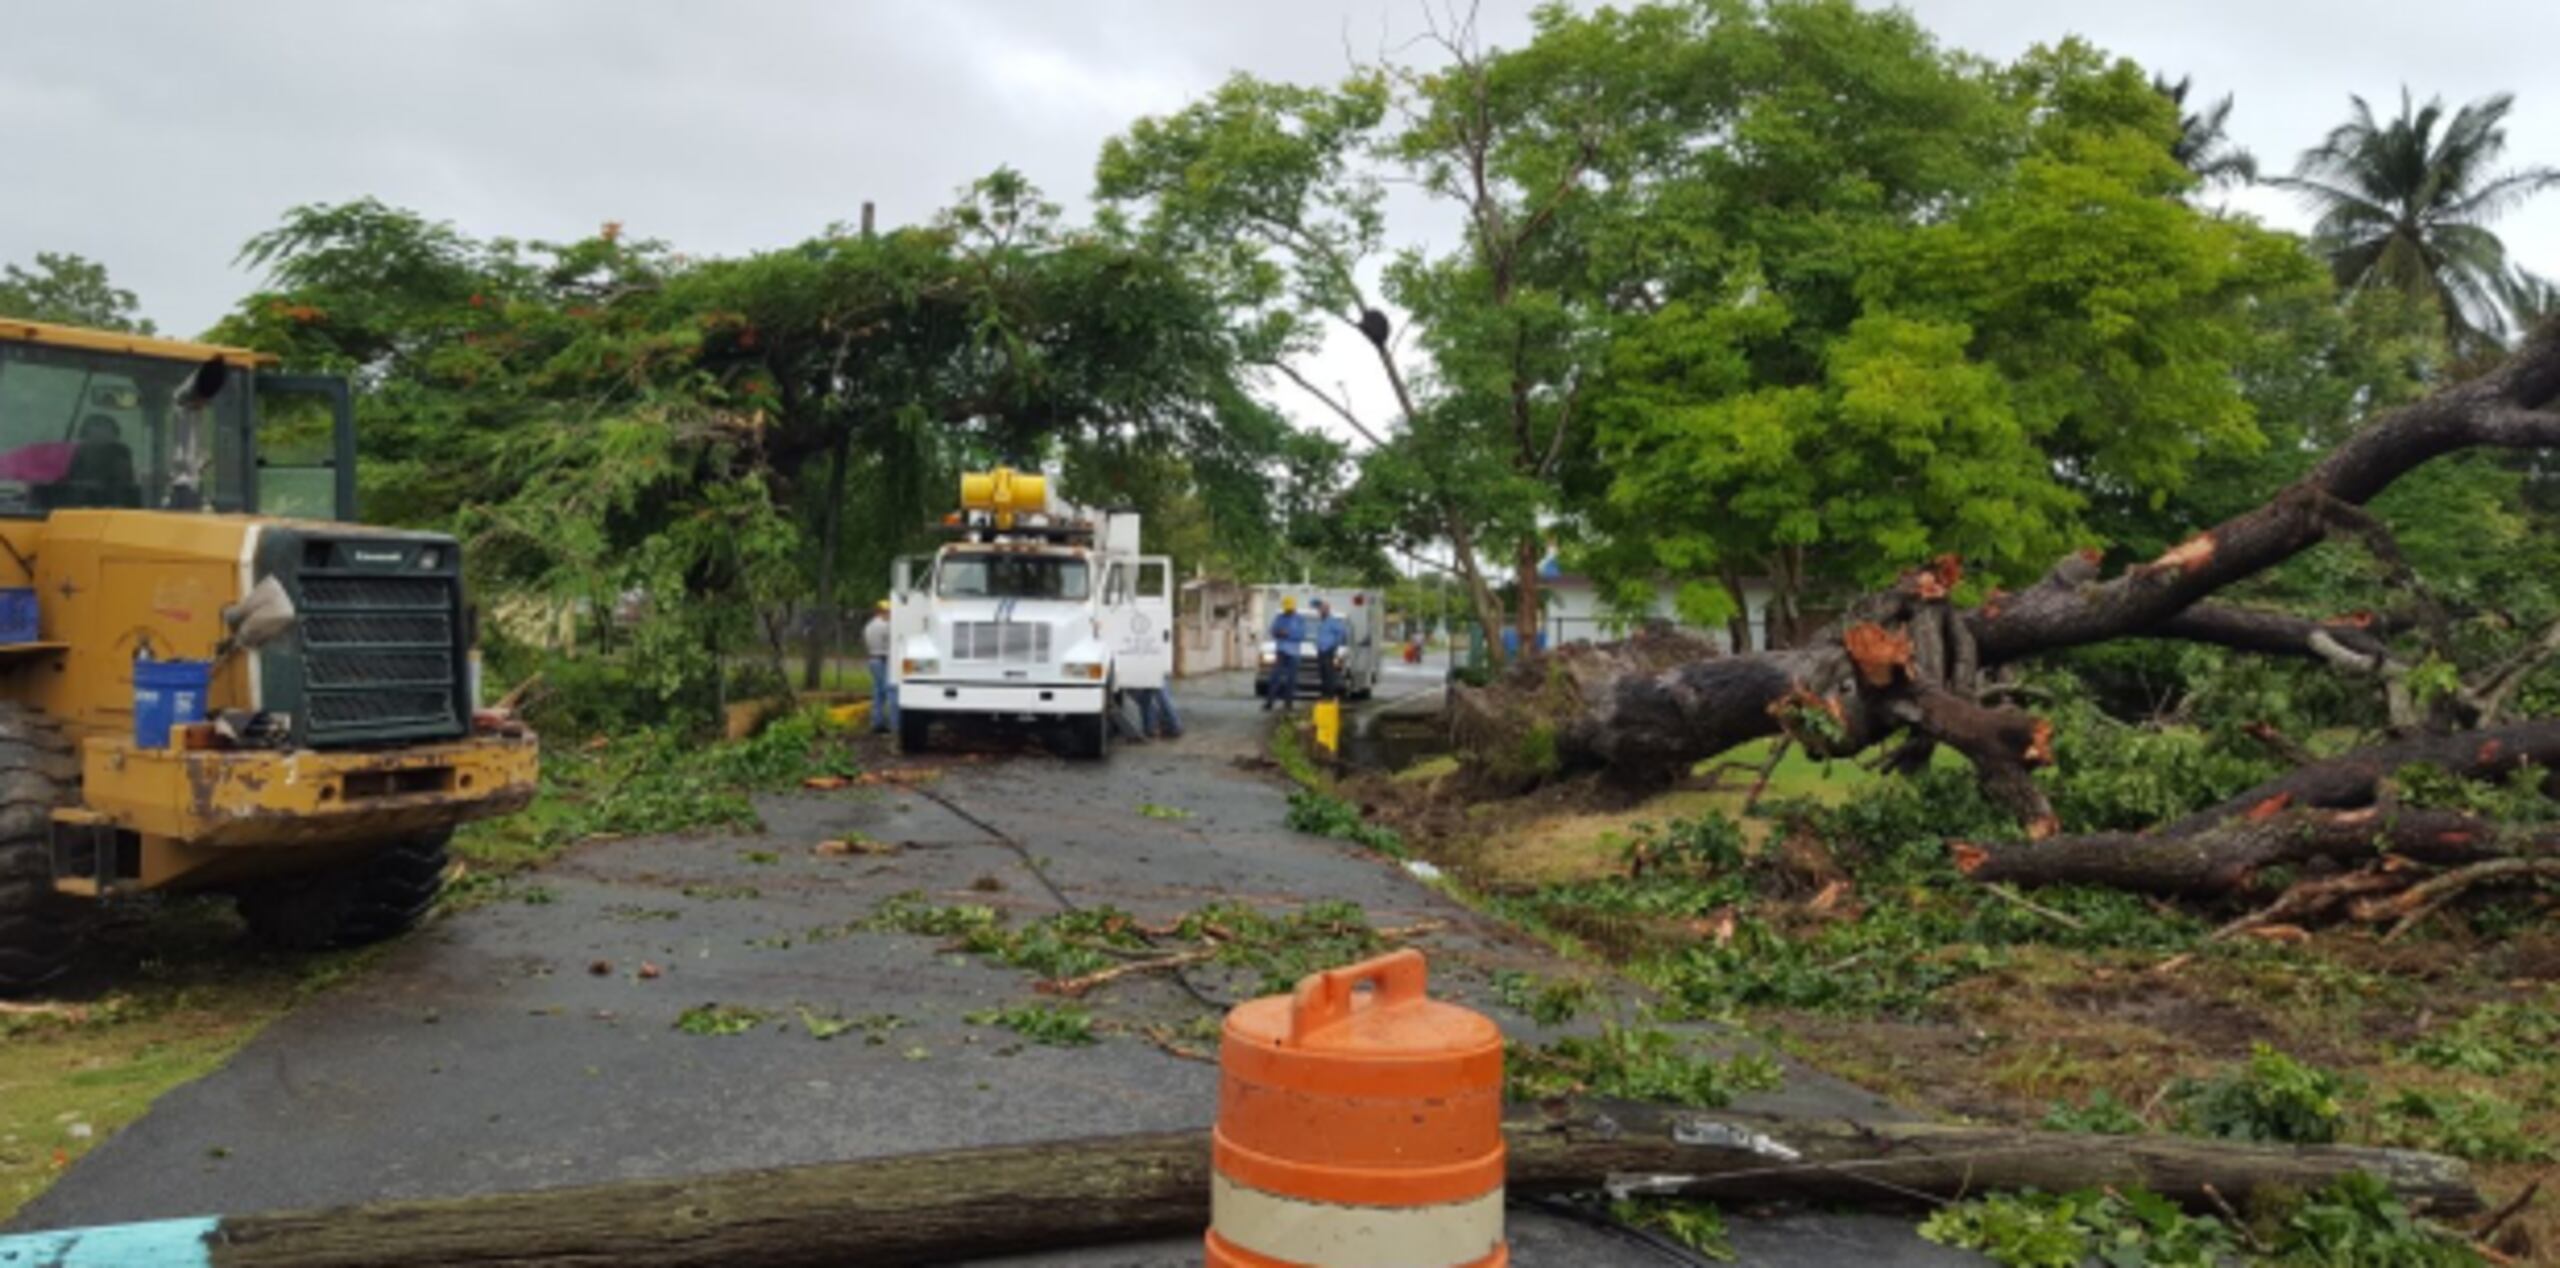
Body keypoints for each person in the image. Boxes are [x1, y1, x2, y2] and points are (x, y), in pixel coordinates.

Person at [1264, 595, 1305, 713]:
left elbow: (1301, 635)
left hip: (1294, 653)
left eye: (1289, 608)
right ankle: (1270, 702)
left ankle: (1288, 704)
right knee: (1275, 677)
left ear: (1294, 607)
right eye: (1286, 608)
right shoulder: (1279, 617)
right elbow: (1272, 630)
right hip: (1281, 651)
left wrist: (1288, 634)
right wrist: (1278, 632)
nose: (1288, 610)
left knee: (1291, 679)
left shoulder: (1300, 619)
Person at [863, 600, 898, 735]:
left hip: (873, 659)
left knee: (878, 692)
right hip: (883, 659)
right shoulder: (886, 626)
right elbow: (891, 642)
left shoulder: (869, 626)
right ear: (881, 611)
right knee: (891, 691)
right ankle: (895, 725)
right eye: (888, 611)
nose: (890, 614)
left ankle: (877, 722)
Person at [1313, 598, 1348, 699]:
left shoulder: (1332, 621)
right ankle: (1324, 693)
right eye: (1320, 609)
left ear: (1327, 610)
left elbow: (1341, 633)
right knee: (1322, 673)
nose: (1320, 611)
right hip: (1321, 650)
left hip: (1328, 650)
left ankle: (1330, 694)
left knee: (1329, 673)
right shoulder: (1321, 622)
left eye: (1323, 609)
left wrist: (1334, 645)